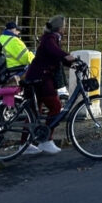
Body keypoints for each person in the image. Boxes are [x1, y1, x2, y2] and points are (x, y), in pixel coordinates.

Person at [21, 15, 77, 155]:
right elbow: (55, 52)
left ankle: (24, 144)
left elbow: (57, 57)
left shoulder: (51, 38)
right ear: (60, 28)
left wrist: (73, 63)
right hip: (41, 78)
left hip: (37, 77)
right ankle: (46, 141)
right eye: (64, 27)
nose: (65, 29)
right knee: (55, 106)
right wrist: (67, 56)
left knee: (34, 112)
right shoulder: (50, 39)